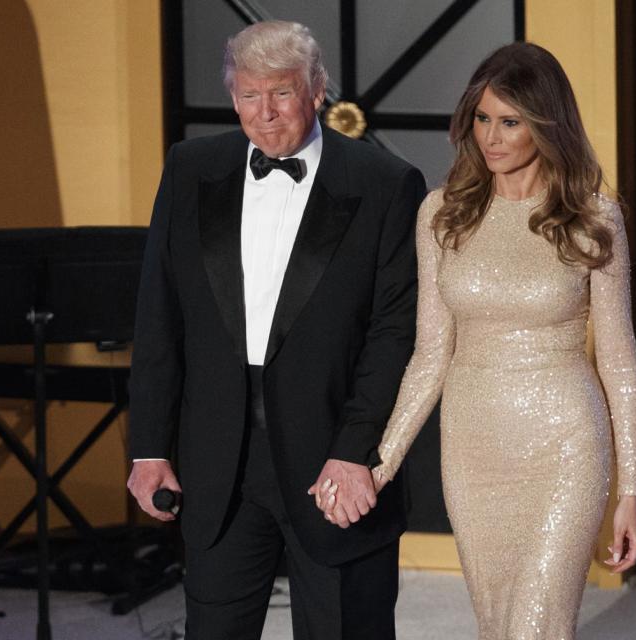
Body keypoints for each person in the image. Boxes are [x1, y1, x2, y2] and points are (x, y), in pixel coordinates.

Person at [316, 42, 636, 639]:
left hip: (566, 445)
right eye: (483, 118)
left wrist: (631, 491)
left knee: (535, 627)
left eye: (511, 122)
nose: (492, 137)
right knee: (497, 627)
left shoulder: (593, 216)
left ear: (546, 126)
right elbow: (429, 355)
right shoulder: (443, 214)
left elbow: (620, 362)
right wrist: (380, 465)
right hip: (472, 450)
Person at [126, 21, 425, 640]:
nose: (264, 114)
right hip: (217, 462)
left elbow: (395, 334)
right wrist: (150, 446)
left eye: (282, 94)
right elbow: (160, 315)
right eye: (248, 95)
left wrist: (356, 449)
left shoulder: (384, 183)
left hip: (334, 456)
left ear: (317, 91)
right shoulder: (190, 168)